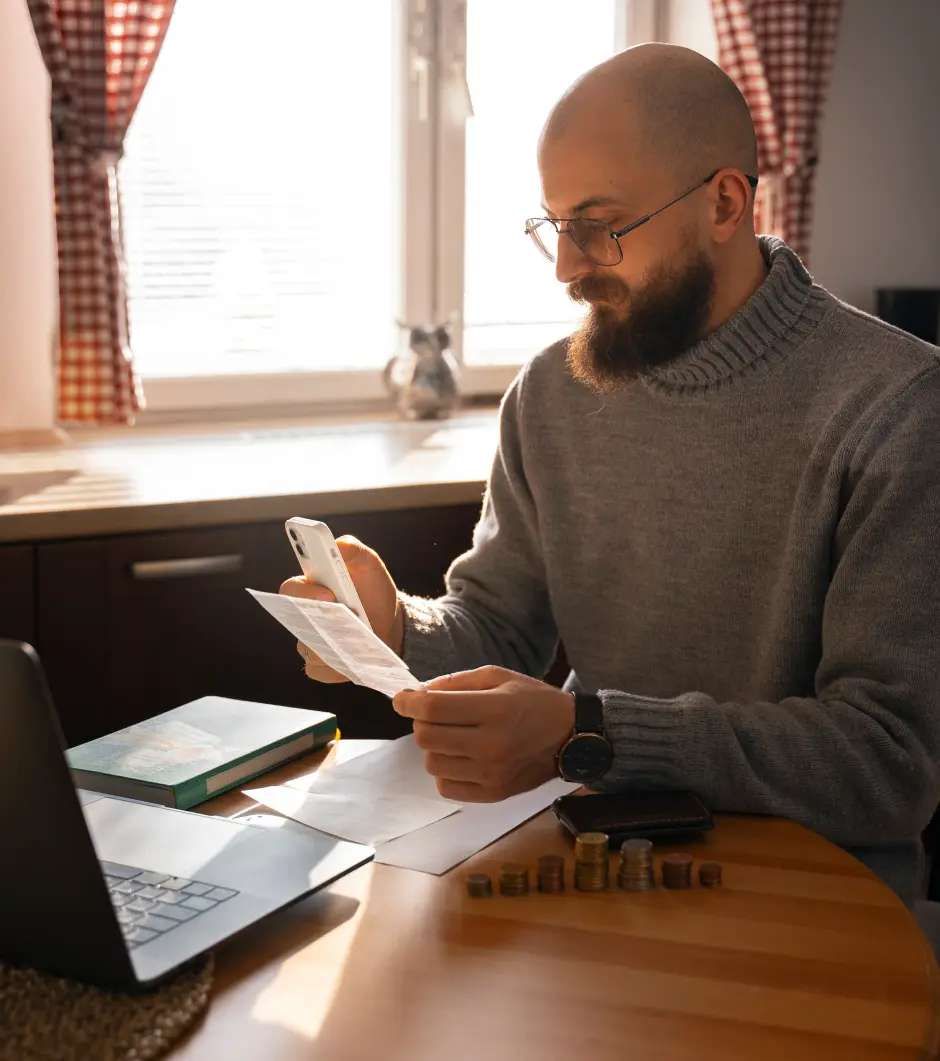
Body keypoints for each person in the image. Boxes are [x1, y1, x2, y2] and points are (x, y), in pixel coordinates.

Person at [281, 43, 940, 906]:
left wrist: (588, 732)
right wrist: (393, 627)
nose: (566, 267)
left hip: (822, 907)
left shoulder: (898, 407)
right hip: (591, 876)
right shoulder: (551, 392)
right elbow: (497, 626)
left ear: (726, 203)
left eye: (599, 226)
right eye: (554, 226)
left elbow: (887, 763)